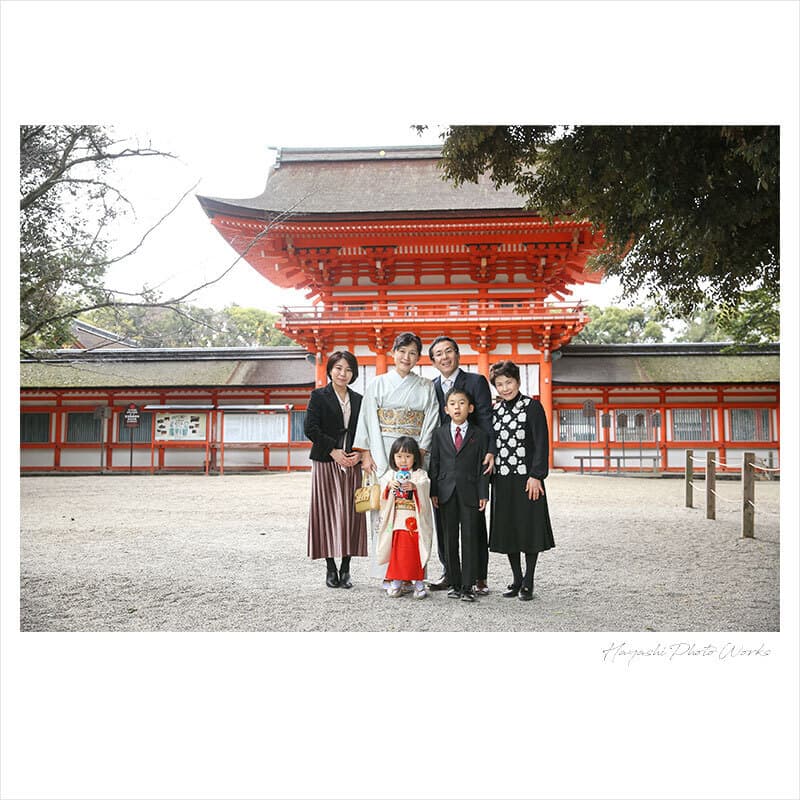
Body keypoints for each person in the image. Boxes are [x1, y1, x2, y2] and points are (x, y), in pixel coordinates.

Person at [353, 332, 439, 580]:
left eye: (412, 353)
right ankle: (387, 571)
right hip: (383, 450)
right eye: (402, 351)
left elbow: (431, 419)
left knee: (413, 512)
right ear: (393, 353)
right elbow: (367, 419)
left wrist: (420, 452)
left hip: (412, 454)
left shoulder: (425, 386)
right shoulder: (378, 384)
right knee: (386, 513)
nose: (406, 357)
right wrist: (367, 454)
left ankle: (413, 571)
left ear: (418, 358)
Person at [428, 335, 495, 594]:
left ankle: (478, 575)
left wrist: (490, 449)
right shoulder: (431, 386)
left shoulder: (476, 381)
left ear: (457, 355)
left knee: (474, 523)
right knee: (444, 523)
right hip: (443, 461)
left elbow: (486, 417)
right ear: (433, 361)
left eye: (448, 352)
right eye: (438, 354)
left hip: (471, 457)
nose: (444, 357)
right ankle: (450, 571)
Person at [488, 360, 555, 601]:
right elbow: (490, 444)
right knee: (509, 530)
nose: (505, 388)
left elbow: (541, 443)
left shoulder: (532, 407)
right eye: (499, 384)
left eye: (509, 382)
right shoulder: (494, 411)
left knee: (528, 528)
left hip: (527, 479)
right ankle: (516, 578)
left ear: (518, 381)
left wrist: (537, 475)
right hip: (502, 480)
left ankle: (529, 580)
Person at [304, 351, 367, 589]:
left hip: (352, 461)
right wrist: (333, 450)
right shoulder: (319, 396)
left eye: (348, 369)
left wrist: (360, 453)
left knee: (351, 513)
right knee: (327, 512)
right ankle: (330, 567)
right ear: (330, 370)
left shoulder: (359, 399)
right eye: (339, 368)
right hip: (326, 461)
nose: (343, 374)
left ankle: (346, 569)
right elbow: (310, 428)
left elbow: (365, 430)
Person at [376, 436, 434, 599]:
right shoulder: (390, 475)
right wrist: (388, 487)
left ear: (415, 457)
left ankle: (418, 582)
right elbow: (383, 496)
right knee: (397, 552)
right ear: (393, 457)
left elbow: (425, 486)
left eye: (408, 456)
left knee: (415, 551)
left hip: (414, 520)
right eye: (399, 456)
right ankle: (396, 581)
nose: (403, 460)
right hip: (396, 520)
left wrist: (415, 487)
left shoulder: (420, 475)